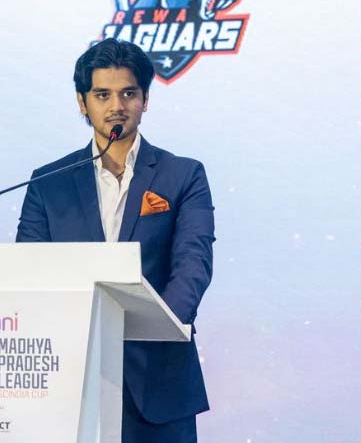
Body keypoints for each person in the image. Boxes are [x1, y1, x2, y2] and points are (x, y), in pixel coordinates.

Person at [17, 39, 215, 443]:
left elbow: (193, 264)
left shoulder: (183, 175)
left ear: (145, 100)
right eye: (102, 94)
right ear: (82, 102)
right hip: (70, 381)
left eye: (128, 93)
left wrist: (158, 325)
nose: (116, 106)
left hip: (158, 380)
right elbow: (30, 274)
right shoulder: (48, 182)